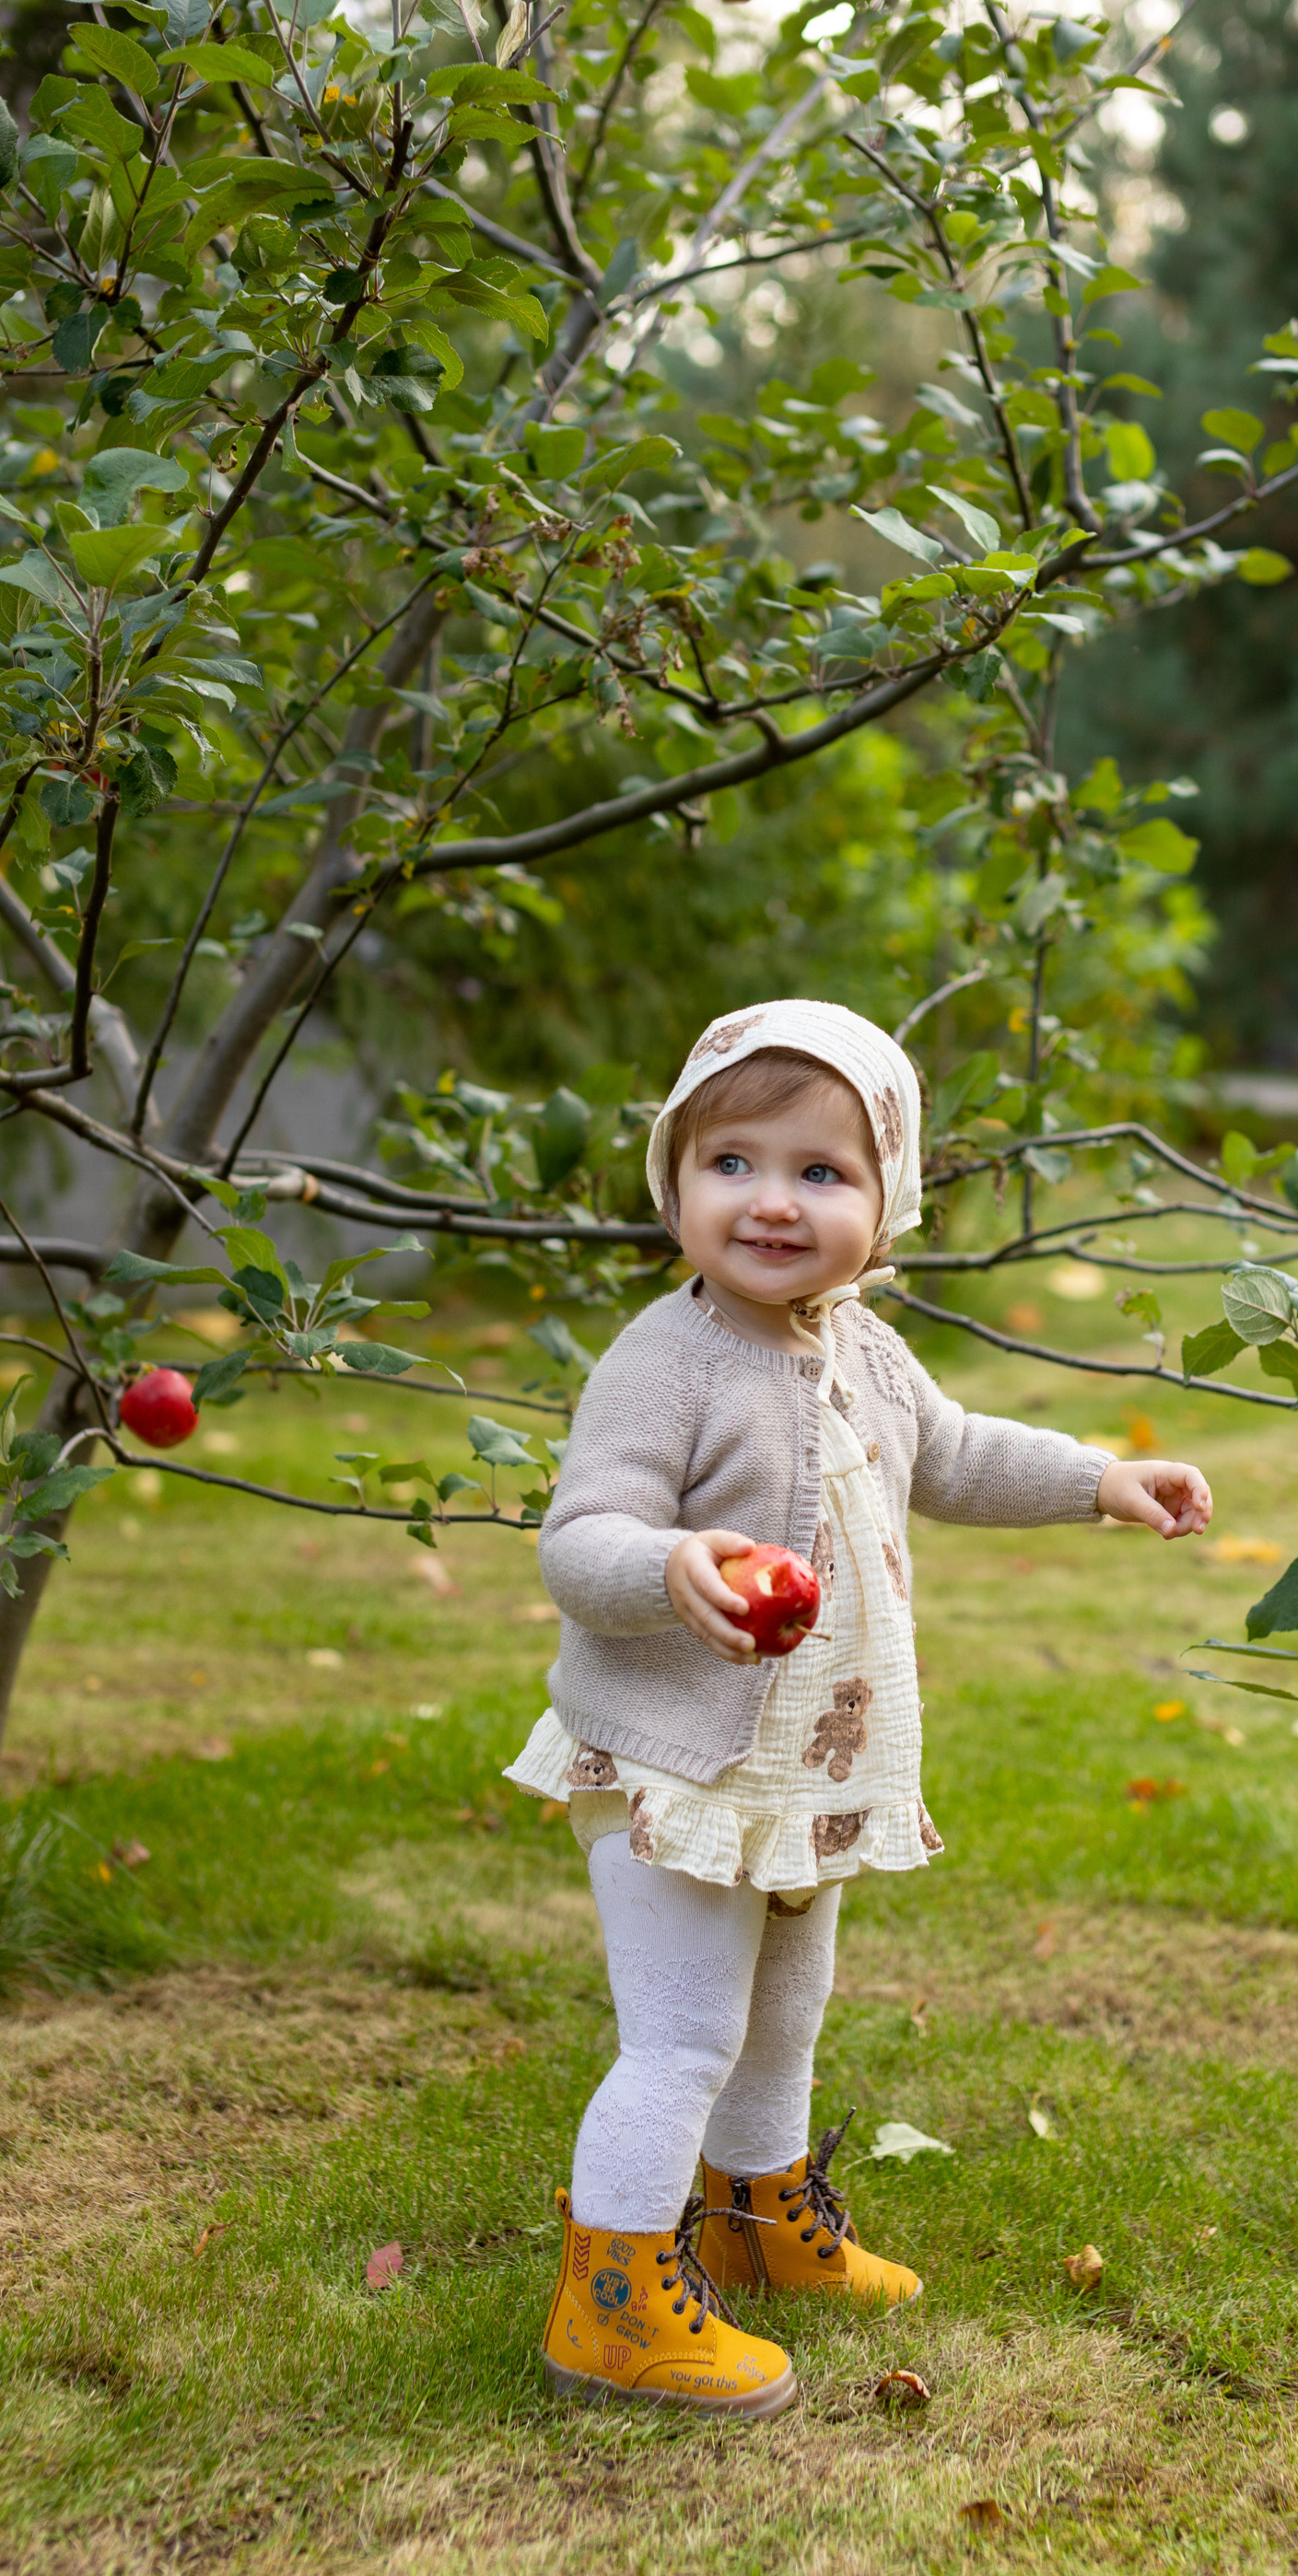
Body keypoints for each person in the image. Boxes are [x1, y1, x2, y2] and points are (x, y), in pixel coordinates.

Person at [505, 999, 1212, 2417]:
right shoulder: (669, 1358)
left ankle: (762, 2224)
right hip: (677, 1768)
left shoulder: (864, 1348)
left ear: (887, 1205)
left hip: (800, 1772)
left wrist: (1095, 1479)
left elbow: (952, 1455)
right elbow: (579, 1535)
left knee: (785, 2017)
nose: (772, 1202)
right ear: (676, 1180)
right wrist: (670, 1564)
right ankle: (614, 2302)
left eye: (822, 1173)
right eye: (734, 1163)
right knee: (685, 2037)